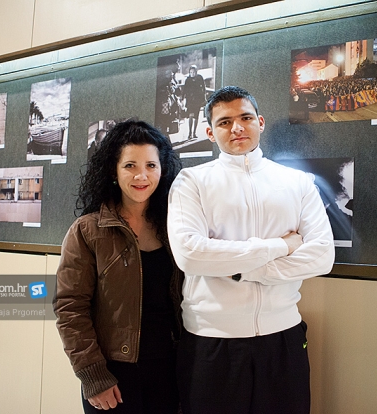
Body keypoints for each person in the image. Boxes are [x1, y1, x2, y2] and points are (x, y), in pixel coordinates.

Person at [167, 86, 335, 414]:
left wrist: (245, 270)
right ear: (210, 133)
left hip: (283, 336)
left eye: (245, 118)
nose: (237, 128)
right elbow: (190, 254)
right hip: (211, 340)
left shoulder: (298, 182)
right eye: (224, 122)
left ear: (260, 122)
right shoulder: (191, 182)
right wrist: (281, 246)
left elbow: (322, 255)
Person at [54, 119, 183, 413]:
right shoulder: (87, 230)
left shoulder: (176, 226)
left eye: (151, 165)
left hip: (170, 370)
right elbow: (70, 308)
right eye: (130, 165)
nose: (141, 175)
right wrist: (93, 376)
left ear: (163, 170)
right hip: (112, 374)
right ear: (114, 170)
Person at [180, 65, 206, 139]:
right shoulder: (188, 80)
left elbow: (203, 88)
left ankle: (194, 133)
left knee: (196, 117)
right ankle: (189, 133)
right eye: (191, 72)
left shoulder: (200, 78)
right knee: (190, 116)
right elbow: (184, 89)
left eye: (194, 72)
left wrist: (204, 98)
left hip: (198, 100)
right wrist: (182, 98)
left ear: (196, 72)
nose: (192, 74)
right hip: (190, 101)